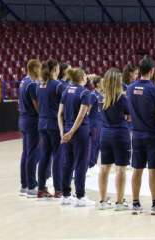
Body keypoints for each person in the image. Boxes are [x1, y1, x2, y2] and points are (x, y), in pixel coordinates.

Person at [127, 56, 155, 215]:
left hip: (136, 134)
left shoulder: (130, 88)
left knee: (137, 169)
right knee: (153, 170)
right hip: (153, 134)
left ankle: (135, 203)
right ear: (152, 71)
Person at [57, 68, 94, 207]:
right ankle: (80, 197)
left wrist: (62, 132)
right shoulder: (85, 93)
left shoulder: (66, 91)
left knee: (67, 163)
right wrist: (72, 132)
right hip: (79, 132)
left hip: (66, 130)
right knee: (80, 164)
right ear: (82, 78)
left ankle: (65, 195)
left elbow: (59, 114)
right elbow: (81, 115)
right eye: (85, 75)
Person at [98, 68, 131, 211]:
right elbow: (129, 116)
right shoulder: (122, 98)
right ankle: (119, 202)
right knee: (121, 169)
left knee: (104, 168)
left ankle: (103, 200)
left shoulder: (102, 97)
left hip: (105, 134)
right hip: (120, 134)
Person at [36, 59, 64, 199]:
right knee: (58, 157)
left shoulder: (40, 85)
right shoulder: (58, 85)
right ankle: (58, 189)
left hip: (42, 124)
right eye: (58, 68)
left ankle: (41, 188)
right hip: (54, 125)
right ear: (54, 69)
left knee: (44, 157)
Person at [18, 59, 41, 198]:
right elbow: (36, 105)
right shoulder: (32, 84)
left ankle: (24, 184)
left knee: (26, 152)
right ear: (34, 69)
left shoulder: (23, 81)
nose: (40, 71)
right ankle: (32, 186)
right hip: (32, 120)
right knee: (33, 153)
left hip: (23, 118)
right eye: (39, 68)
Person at [88, 75, 103, 169]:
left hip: (100, 122)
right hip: (93, 123)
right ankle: (90, 165)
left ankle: (93, 164)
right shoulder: (93, 95)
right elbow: (87, 110)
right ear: (97, 84)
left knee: (98, 143)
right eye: (102, 82)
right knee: (93, 143)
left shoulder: (101, 95)